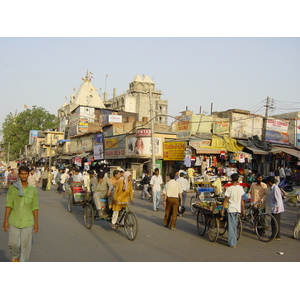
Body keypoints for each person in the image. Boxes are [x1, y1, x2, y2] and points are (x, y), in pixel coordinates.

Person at [2, 166, 39, 262]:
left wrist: (36, 223)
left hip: (28, 222)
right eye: (22, 174)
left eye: (25, 174)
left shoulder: (32, 190)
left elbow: (35, 207)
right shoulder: (13, 189)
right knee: (13, 244)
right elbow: (9, 205)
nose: (24, 176)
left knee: (26, 246)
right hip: (14, 221)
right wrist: (5, 220)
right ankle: (15, 257)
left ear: (28, 175)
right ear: (19, 175)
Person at [221, 173, 245, 248]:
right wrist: (243, 209)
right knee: (234, 226)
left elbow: (225, 200)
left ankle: (232, 243)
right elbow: (242, 200)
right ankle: (233, 240)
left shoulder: (230, 189)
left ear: (231, 180)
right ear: (238, 180)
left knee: (231, 227)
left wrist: (222, 209)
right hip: (237, 209)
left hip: (231, 209)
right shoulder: (240, 188)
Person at [266, 176, 284, 241]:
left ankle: (275, 235)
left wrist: (276, 208)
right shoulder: (273, 188)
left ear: (270, 182)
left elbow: (278, 199)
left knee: (275, 222)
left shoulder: (275, 188)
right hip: (275, 207)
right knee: (275, 222)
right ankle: (276, 235)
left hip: (277, 208)